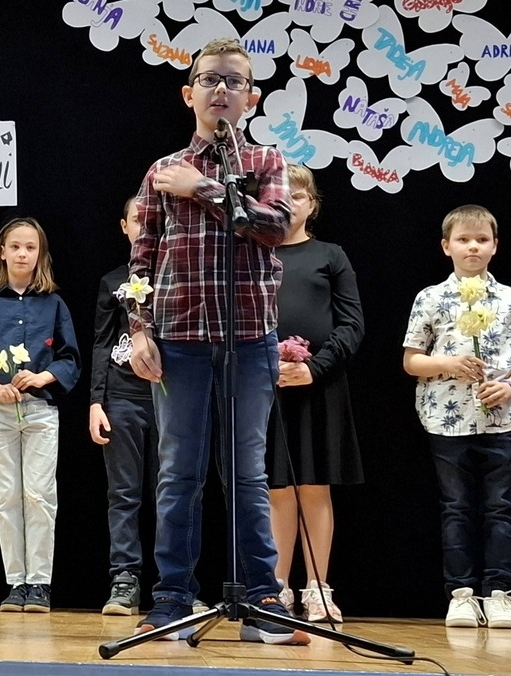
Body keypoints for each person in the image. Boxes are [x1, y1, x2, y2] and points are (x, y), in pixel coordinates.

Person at [126, 38, 309, 644]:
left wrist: (202, 189)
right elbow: (141, 261)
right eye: (209, 79)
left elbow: (276, 226)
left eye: (234, 80)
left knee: (247, 474)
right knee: (178, 474)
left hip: (250, 339)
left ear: (251, 96)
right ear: (189, 94)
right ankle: (172, 601)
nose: (221, 89)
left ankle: (262, 601)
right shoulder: (162, 170)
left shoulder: (266, 161)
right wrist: (138, 331)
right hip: (179, 338)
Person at [402, 204, 511, 629]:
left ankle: (499, 592)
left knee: (501, 507)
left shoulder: (508, 299)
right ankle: (461, 594)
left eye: (482, 240)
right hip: (447, 421)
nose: (473, 247)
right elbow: (412, 360)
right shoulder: (431, 297)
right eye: (464, 240)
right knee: (456, 507)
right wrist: (447, 363)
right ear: (447, 246)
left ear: (495, 246)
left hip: (502, 419)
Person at [0, 217, 80, 613]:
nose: (22, 254)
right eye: (15, 246)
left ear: (40, 254)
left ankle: (40, 583)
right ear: (2, 252)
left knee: (39, 495)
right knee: (6, 496)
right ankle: (16, 581)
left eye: (30, 247)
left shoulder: (54, 303)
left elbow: (70, 357)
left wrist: (43, 376)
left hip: (40, 410)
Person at [265, 165, 364, 624]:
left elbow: (351, 325)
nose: (290, 205)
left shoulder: (330, 255)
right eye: (280, 198)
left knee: (314, 486)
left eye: (298, 197)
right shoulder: (256, 256)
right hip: (267, 387)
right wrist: (267, 365)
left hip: (319, 386)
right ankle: (277, 588)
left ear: (313, 205)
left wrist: (313, 367)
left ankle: (319, 588)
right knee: (277, 488)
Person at [89, 199, 158, 616]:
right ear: (124, 226)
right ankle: (125, 579)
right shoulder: (112, 281)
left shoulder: (176, 275)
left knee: (174, 493)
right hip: (121, 397)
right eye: (137, 220)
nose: (144, 227)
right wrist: (96, 402)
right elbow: (101, 342)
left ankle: (177, 583)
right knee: (124, 493)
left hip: (169, 399)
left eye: (151, 221)